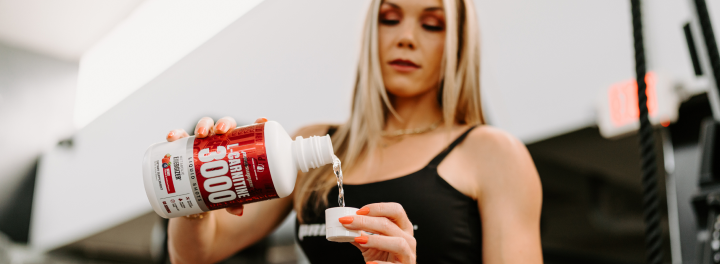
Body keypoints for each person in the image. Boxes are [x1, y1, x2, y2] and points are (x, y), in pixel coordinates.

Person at [165, 0, 543, 263]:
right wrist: (195, 193)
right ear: (370, 33)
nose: (406, 37)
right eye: (390, 18)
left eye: (431, 24)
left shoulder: (492, 153)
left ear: (457, 43)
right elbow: (194, 255)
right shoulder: (310, 145)